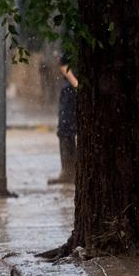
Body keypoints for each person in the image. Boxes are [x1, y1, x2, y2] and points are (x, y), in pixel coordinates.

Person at [49, 53, 78, 184]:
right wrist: (76, 84)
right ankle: (68, 171)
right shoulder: (70, 38)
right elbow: (64, 63)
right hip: (71, 88)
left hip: (75, 88)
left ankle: (71, 171)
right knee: (65, 129)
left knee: (67, 129)